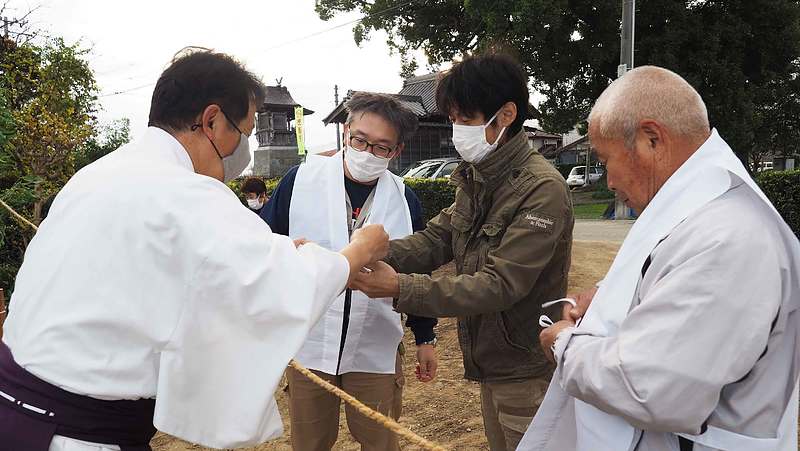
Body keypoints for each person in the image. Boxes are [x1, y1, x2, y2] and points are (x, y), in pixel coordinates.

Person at [0, 48, 389, 451]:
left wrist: (279, 250)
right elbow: (279, 285)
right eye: (245, 131)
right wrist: (357, 251)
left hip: (15, 402)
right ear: (212, 120)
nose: (244, 149)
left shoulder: (100, 173)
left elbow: (172, 267)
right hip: (76, 432)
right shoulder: (189, 192)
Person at [520, 66, 800, 451]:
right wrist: (609, 295)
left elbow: (649, 388)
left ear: (652, 139)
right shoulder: (702, 210)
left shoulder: (730, 237)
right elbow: (672, 278)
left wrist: (563, 344)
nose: (610, 181)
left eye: (605, 160)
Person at [351, 53, 574, 451]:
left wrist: (400, 286)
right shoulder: (478, 178)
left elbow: (500, 284)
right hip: (493, 361)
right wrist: (359, 254)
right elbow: (437, 240)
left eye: (465, 119)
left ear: (505, 115)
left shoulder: (542, 188)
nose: (456, 130)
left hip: (525, 365)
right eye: (452, 118)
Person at [261, 92, 438, 451]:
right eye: (360, 140)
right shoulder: (300, 182)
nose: (367, 152)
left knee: (380, 441)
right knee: (309, 442)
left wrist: (425, 337)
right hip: (310, 345)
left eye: (381, 147)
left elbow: (417, 272)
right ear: (346, 134)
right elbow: (265, 246)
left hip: (375, 344)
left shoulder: (405, 199)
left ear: (396, 151)